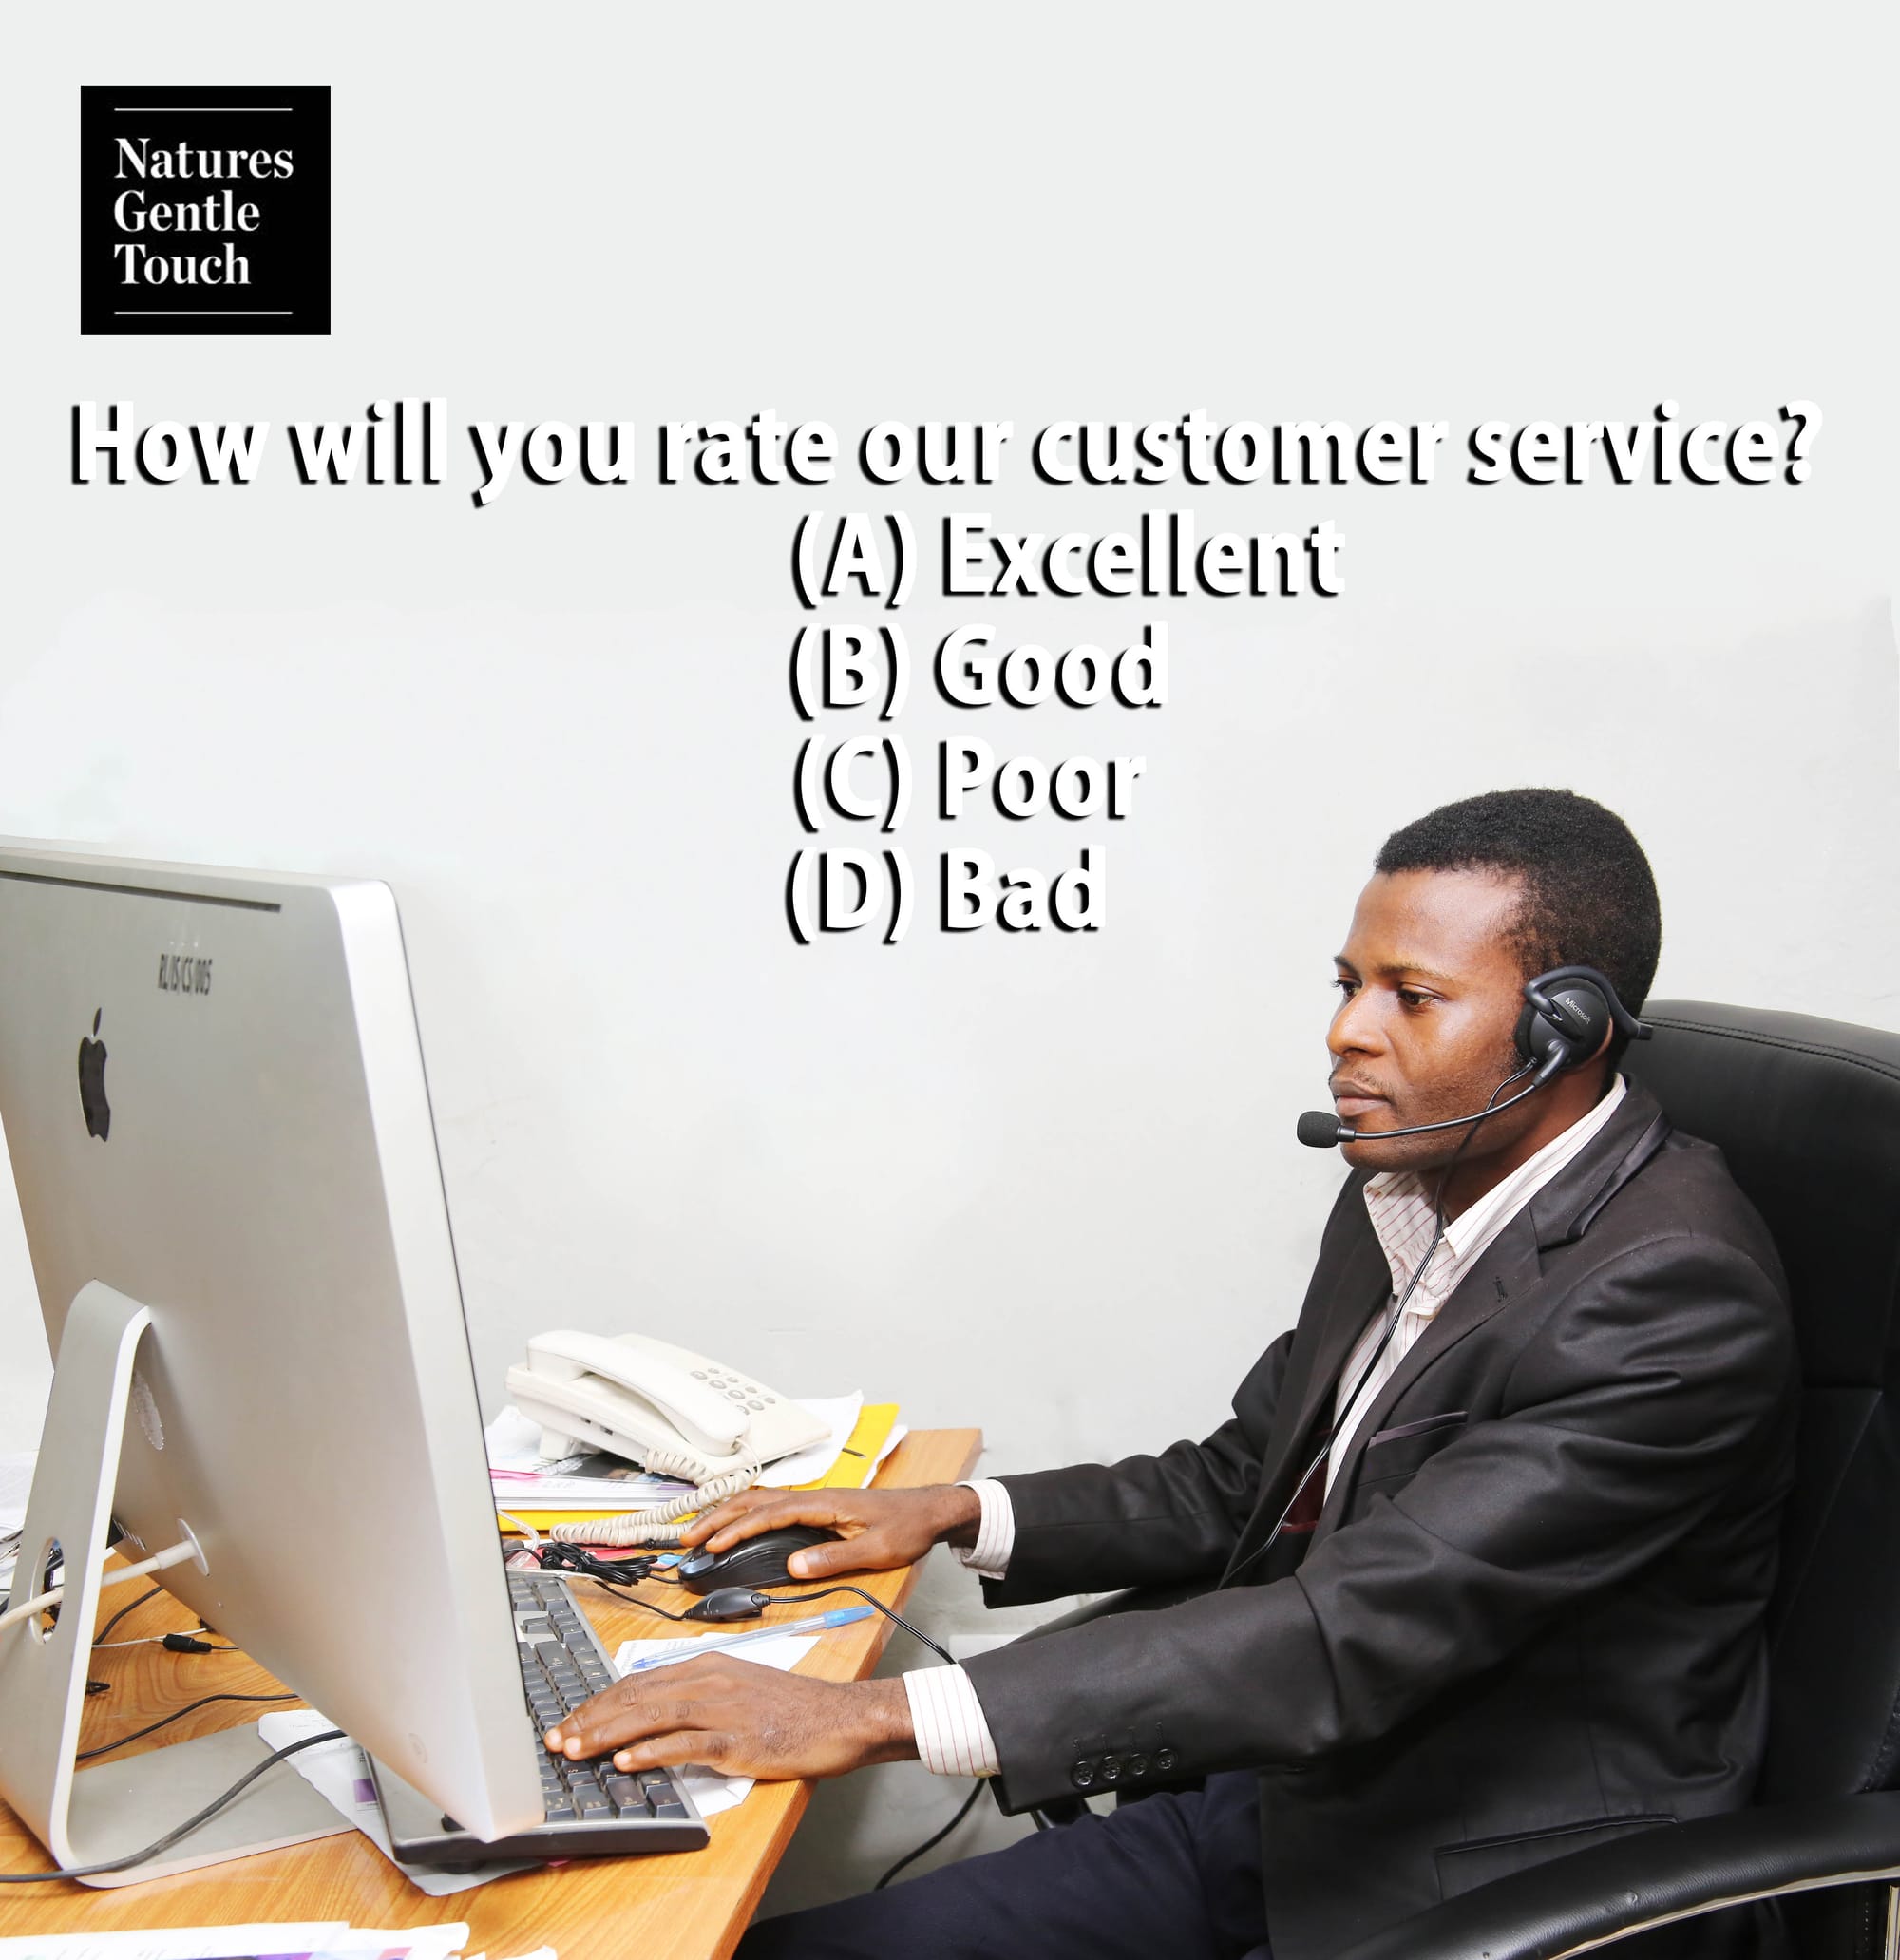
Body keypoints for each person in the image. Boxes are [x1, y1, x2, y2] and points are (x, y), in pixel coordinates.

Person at [543, 788, 1797, 1960]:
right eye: (1348, 983)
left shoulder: (1671, 1296)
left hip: (1486, 1878)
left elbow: (1352, 1627)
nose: (1347, 1032)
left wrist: (870, 1717)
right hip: (1295, 1802)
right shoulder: (1417, 1185)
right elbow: (1252, 1480)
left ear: (1564, 1029)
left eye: (1412, 997)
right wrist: (955, 1511)